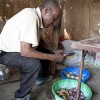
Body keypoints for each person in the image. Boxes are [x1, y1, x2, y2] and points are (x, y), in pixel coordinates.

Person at [0, 0, 64, 100]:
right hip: (5, 52)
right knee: (32, 64)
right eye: (54, 18)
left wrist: (53, 50)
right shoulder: (31, 17)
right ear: (45, 11)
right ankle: (21, 96)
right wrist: (53, 57)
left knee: (44, 50)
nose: (53, 23)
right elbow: (25, 51)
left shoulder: (34, 16)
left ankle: (40, 78)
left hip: (16, 48)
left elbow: (39, 40)